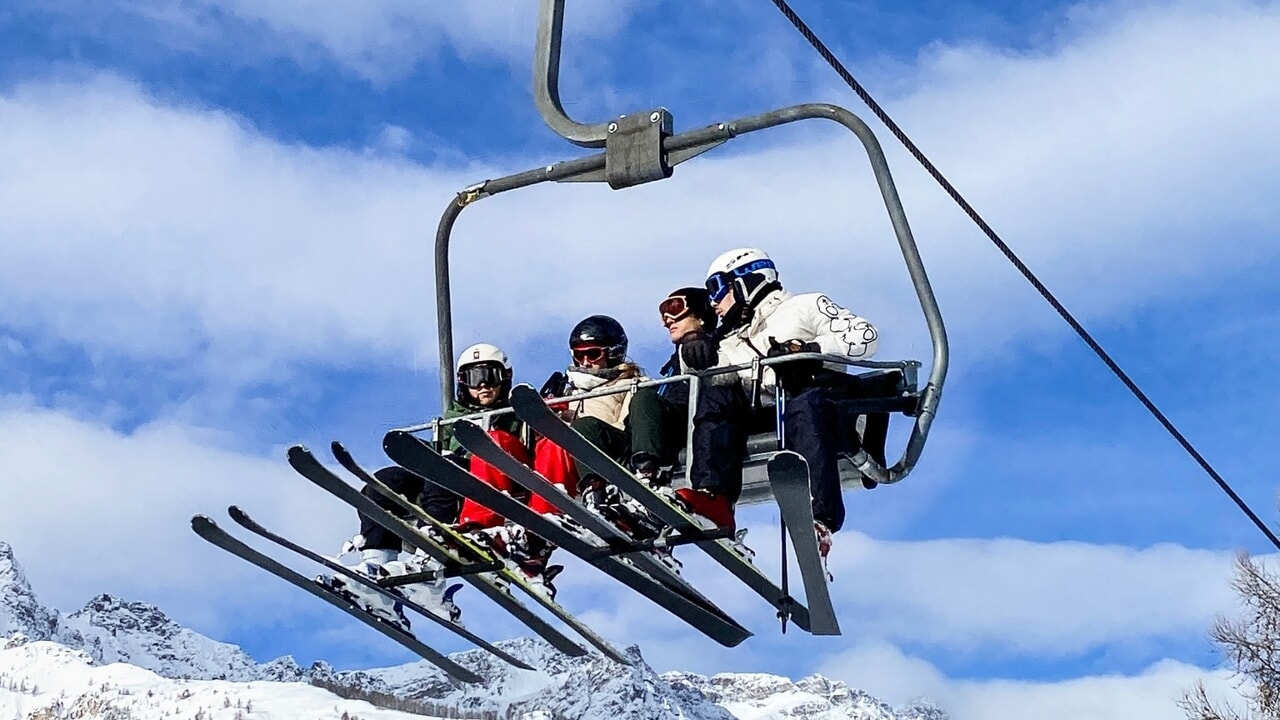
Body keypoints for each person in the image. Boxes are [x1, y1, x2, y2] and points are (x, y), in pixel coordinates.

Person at [679, 248, 879, 566]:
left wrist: (808, 351)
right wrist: (696, 353)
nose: (713, 302)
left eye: (717, 288)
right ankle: (713, 499)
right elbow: (717, 374)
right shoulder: (731, 339)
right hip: (766, 409)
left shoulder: (805, 305)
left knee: (805, 403)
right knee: (716, 393)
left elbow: (865, 337)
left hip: (819, 398)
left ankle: (818, 517)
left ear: (746, 281)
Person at [538, 316, 649, 525]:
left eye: (593, 354)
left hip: (609, 449)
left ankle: (597, 492)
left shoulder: (631, 382)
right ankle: (545, 513)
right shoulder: (568, 389)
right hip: (572, 454)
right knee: (552, 443)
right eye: (579, 355)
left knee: (583, 427)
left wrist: (581, 424)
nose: (586, 362)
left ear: (613, 353)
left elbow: (627, 425)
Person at [626, 287, 718, 486]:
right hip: (661, 427)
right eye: (663, 313)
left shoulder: (714, 347)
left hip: (692, 422)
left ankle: (648, 474)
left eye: (675, 309)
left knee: (644, 398)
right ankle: (594, 489)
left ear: (701, 315)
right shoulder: (672, 364)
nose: (667, 320)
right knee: (589, 426)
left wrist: (702, 341)